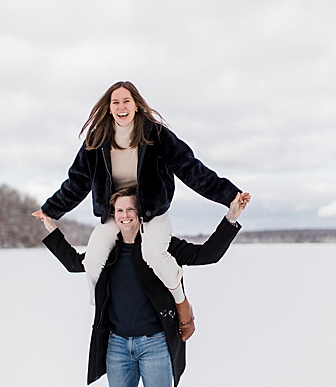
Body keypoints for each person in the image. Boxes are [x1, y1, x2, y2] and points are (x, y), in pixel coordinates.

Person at [37, 186, 249, 387]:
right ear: (112, 215)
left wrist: (231, 217)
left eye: (130, 210)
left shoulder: (159, 247)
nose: (125, 216)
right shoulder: (105, 252)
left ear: (141, 213)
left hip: (155, 345)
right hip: (117, 346)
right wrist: (52, 227)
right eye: (119, 210)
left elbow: (207, 255)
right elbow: (73, 263)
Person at [33, 80, 245, 334]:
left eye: (126, 101)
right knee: (93, 260)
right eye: (116, 102)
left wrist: (229, 195)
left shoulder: (155, 135)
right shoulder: (97, 139)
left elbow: (191, 169)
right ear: (109, 108)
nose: (121, 107)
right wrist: (51, 210)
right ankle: (105, 317)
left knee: (154, 254)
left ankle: (181, 303)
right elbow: (78, 181)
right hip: (117, 211)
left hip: (151, 210)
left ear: (136, 105)